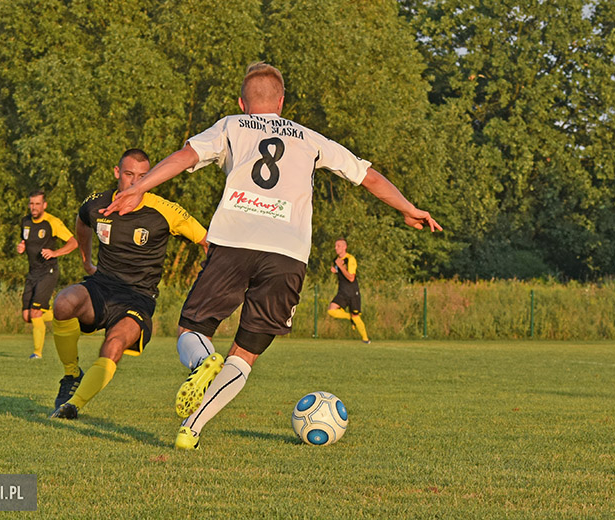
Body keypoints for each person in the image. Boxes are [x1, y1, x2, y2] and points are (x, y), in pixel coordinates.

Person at [103, 62, 442, 450]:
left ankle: (201, 362)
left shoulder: (231, 125)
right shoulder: (310, 138)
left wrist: (140, 187)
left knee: (192, 330)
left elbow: (185, 156)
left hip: (233, 242)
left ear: (243, 102)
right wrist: (407, 207)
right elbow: (368, 177)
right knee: (244, 355)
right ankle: (190, 430)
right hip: (288, 254)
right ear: (281, 102)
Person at [49, 148, 208, 420]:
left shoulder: (165, 211)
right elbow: (82, 221)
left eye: (143, 176)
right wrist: (87, 261)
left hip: (138, 298)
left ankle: (72, 406)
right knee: (63, 303)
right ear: (116, 173)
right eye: (129, 174)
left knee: (114, 345)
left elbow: (208, 241)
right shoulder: (97, 203)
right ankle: (71, 374)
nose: (135, 182)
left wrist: (213, 281)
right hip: (102, 286)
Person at [17, 190, 78, 359]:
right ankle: (67, 314)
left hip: (48, 271)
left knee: (36, 312)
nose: (34, 207)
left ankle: (37, 353)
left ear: (44, 205)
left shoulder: (53, 222)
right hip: (33, 272)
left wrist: (55, 253)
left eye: (37, 204)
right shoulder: (25, 221)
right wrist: (21, 247)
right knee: (27, 316)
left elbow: (73, 243)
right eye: (31, 203)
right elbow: (25, 240)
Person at [328, 237, 370, 343]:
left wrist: (340, 267)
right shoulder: (336, 260)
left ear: (345, 247)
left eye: (338, 246)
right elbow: (342, 273)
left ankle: (365, 339)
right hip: (342, 291)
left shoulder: (350, 259)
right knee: (331, 310)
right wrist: (336, 271)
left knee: (356, 316)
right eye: (335, 246)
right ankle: (349, 317)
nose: (336, 248)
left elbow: (351, 278)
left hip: (352, 291)